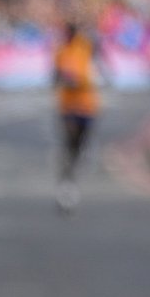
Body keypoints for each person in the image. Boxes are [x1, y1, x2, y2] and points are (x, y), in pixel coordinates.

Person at [52, 21, 101, 214]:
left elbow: (97, 65)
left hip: (87, 106)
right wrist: (63, 81)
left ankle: (71, 174)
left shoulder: (86, 47)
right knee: (70, 144)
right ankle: (67, 185)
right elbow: (55, 77)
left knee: (81, 145)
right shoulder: (60, 52)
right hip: (69, 106)